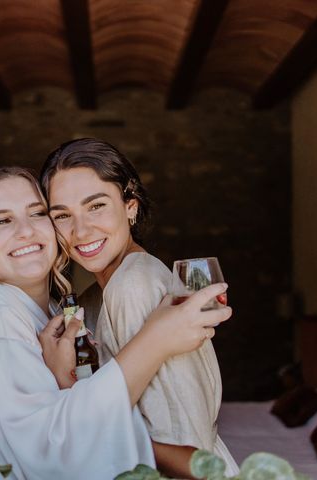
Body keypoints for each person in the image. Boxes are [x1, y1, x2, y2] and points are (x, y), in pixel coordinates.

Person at [0, 167, 230, 479]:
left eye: (37, 213)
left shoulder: (52, 310)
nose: (25, 231)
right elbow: (55, 455)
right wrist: (157, 339)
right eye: (1, 220)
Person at [39, 138, 240, 477]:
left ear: (130, 206)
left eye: (96, 206)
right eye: (62, 215)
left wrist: (88, 421)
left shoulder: (134, 284)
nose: (81, 230)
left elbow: (190, 450)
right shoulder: (93, 296)